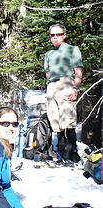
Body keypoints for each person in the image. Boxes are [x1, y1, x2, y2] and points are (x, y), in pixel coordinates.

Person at [45, 24, 83, 163]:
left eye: (58, 34)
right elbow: (47, 72)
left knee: (68, 119)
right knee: (54, 119)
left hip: (66, 83)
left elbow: (78, 71)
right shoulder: (48, 54)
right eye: (52, 35)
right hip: (51, 86)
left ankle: (72, 153)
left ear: (64, 35)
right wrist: (50, 85)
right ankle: (61, 153)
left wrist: (75, 88)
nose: (55, 37)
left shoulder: (73, 50)